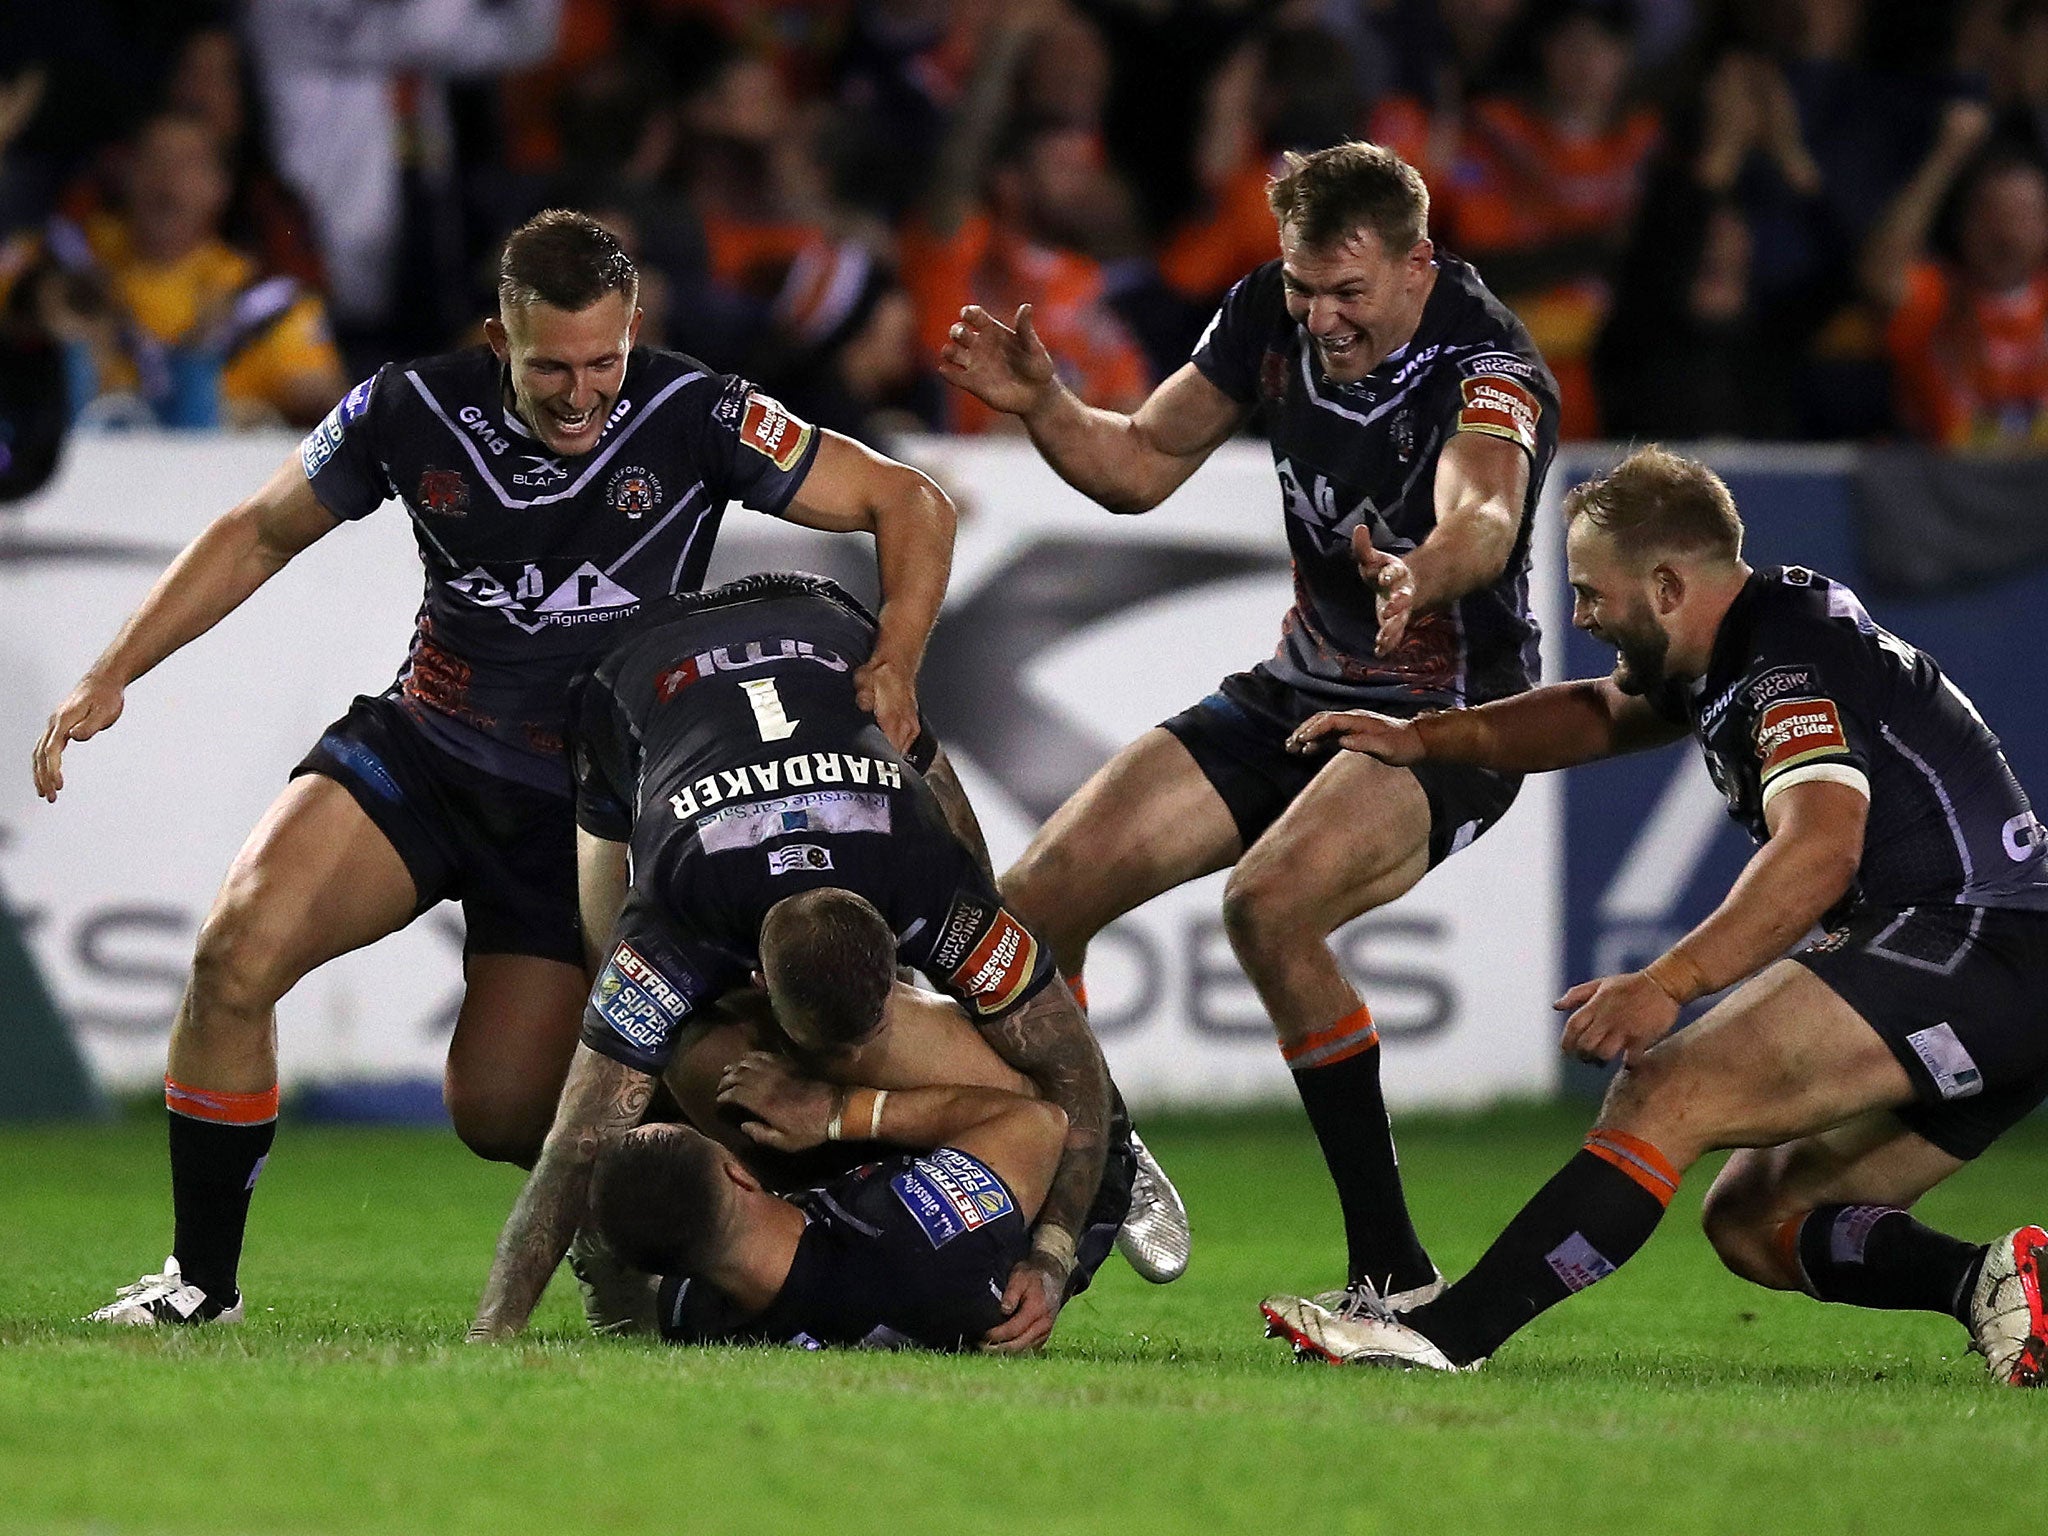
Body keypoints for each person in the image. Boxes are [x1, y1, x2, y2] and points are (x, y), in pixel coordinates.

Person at [44, 210, 957, 1326]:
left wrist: (898, 657)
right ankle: (200, 1286)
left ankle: (761, 1218)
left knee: (500, 1111)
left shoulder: (695, 410)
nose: (581, 394)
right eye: (550, 369)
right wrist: (112, 670)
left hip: (586, 811)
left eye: (603, 363)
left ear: (632, 333)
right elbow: (257, 530)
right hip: (426, 749)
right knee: (235, 952)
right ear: (498, 340)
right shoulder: (406, 407)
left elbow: (905, 498)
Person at [1261, 446, 2048, 1387]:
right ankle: (1996, 1284)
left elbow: (1819, 848)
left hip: (1972, 941)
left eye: (1593, 595)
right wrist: (1423, 738)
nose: (1585, 617)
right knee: (1756, 1225)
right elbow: (1596, 712)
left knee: (1666, 1088)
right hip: (1991, 964)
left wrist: (1668, 982)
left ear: (1668, 584)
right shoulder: (1737, 641)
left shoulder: (1785, 664)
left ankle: (1443, 1336)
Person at [939, 139, 1559, 1315]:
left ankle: (1393, 1274)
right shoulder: (1264, 316)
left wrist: (1424, 572)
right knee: (1022, 917)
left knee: (1269, 906)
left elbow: (1482, 509)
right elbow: (1136, 466)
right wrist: (1042, 402)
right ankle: (1104, 1156)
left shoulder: (1487, 367)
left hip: (1449, 719)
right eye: (1301, 286)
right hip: (1292, 695)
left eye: (1348, 291)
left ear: (1418, 261)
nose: (1320, 317)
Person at [467, 572, 1183, 1350]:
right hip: (633, 665)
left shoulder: (933, 880)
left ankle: (1114, 1141)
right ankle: (647, 1252)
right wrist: (494, 1329)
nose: (846, 1062)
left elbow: (1067, 1054)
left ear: (899, 953)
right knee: (656, 1048)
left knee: (1014, 1017)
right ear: (757, 981)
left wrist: (1049, 1252)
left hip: (826, 625)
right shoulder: (672, 917)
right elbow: (577, 1139)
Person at [592, 1063, 1066, 1352]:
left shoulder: (687, 1316)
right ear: (738, 1173)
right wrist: (840, 1111)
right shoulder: (903, 1227)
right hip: (1070, 1181)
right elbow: (1041, 1122)